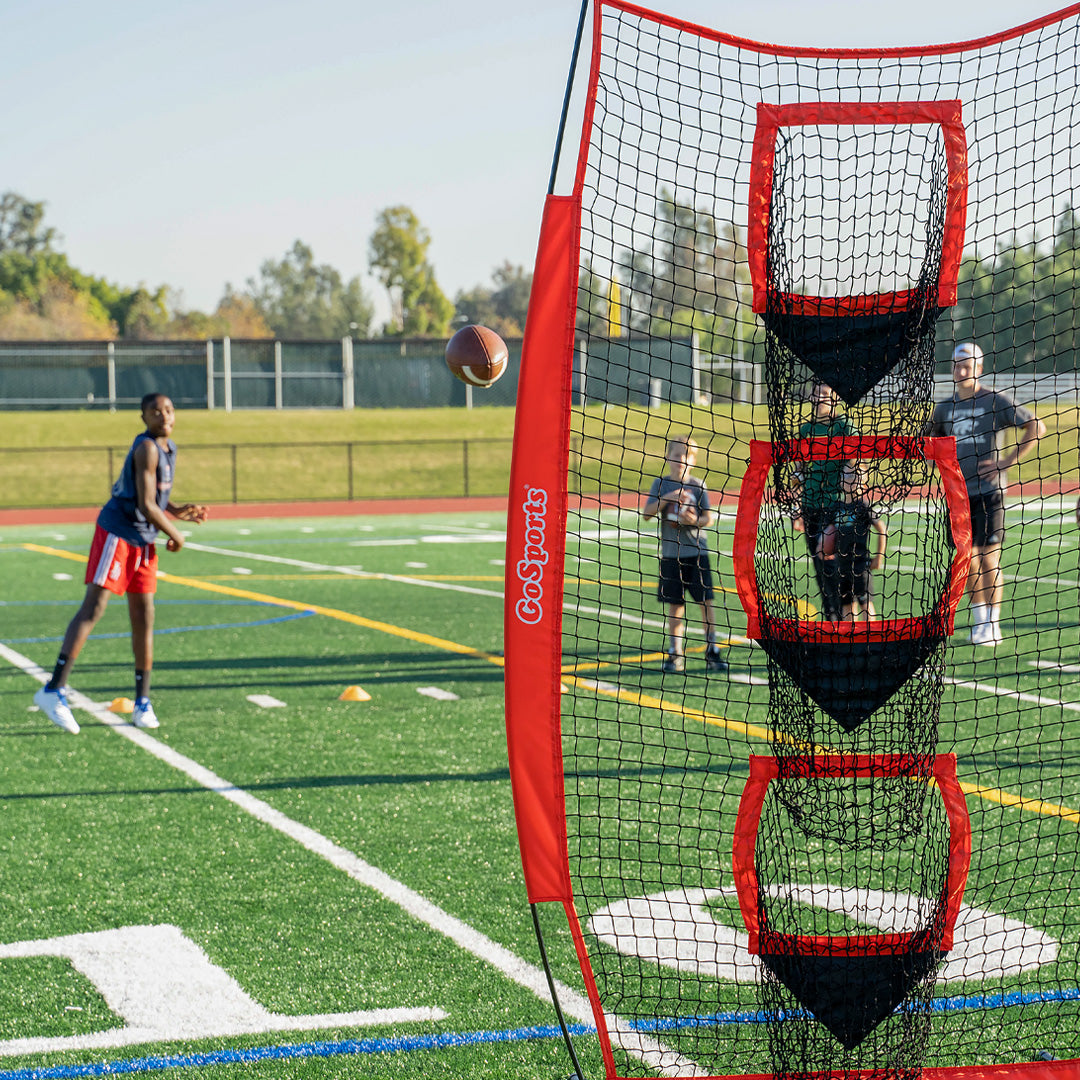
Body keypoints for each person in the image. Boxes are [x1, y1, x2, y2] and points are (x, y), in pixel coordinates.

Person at [33, 393, 209, 733]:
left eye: (169, 410)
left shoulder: (169, 449)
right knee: (93, 608)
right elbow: (144, 503)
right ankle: (53, 689)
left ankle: (142, 701)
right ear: (143, 417)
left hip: (143, 539)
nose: (164, 416)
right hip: (118, 533)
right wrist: (176, 533)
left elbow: (157, 498)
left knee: (144, 617)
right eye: (155, 411)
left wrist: (177, 511)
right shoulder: (146, 447)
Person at [924, 342, 1045, 646]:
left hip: (989, 493)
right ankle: (979, 622)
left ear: (979, 369)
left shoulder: (995, 401)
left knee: (989, 559)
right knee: (968, 560)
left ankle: (993, 623)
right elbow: (930, 441)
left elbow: (1036, 427)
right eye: (957, 365)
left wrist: (1006, 462)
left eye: (968, 366)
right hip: (958, 497)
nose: (962, 370)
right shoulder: (945, 407)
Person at [642, 435, 727, 674]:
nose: (682, 460)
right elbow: (647, 513)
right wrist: (667, 498)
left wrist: (694, 520)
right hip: (671, 556)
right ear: (668, 456)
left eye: (687, 456)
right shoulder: (660, 485)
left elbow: (708, 518)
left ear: (694, 460)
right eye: (678, 454)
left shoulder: (698, 486)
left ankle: (712, 649)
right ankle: (675, 652)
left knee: (705, 603)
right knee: (675, 606)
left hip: (697, 553)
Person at [792, 381, 859, 620]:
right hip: (811, 505)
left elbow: (854, 467)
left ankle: (844, 615)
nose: (820, 397)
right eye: (817, 393)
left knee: (835, 564)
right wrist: (796, 510)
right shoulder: (806, 429)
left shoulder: (844, 426)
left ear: (836, 399)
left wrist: (851, 503)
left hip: (835, 506)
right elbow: (798, 472)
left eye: (826, 394)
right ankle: (830, 615)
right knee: (819, 567)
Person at [818, 463, 887, 622]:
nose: (851, 478)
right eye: (847, 475)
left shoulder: (863, 506)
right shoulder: (836, 507)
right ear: (840, 481)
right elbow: (828, 532)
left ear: (864, 482)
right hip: (841, 565)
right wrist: (822, 548)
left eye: (856, 475)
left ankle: (871, 640)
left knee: (865, 604)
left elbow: (881, 528)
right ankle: (851, 642)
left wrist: (878, 558)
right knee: (847, 606)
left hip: (860, 565)